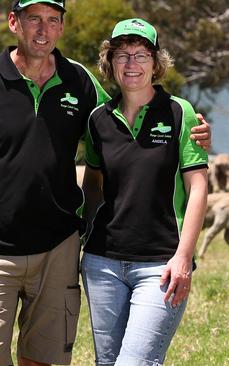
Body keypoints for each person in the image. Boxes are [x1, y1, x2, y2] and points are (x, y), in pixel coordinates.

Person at [0, 2, 210, 364]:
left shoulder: (79, 81)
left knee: (45, 361)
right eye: (34, 19)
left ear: (62, 27)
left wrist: (196, 132)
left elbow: (125, 113)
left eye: (52, 20)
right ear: (14, 22)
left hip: (59, 251)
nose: (43, 30)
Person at [80, 18, 209, 366]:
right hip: (101, 263)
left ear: (156, 62)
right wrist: (84, 234)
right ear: (110, 63)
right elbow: (93, 182)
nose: (131, 64)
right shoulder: (97, 120)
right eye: (122, 55)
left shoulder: (181, 113)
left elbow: (198, 187)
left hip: (161, 265)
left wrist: (184, 257)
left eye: (141, 55)